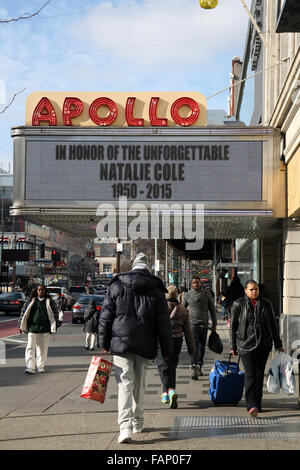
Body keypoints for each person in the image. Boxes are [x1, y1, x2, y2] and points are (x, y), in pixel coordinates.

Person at [98, 252, 172, 444]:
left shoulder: (116, 285)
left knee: (124, 383)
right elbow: (163, 324)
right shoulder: (156, 290)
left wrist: (103, 343)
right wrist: (166, 351)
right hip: (146, 342)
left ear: (133, 266)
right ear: (147, 268)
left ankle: (125, 427)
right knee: (140, 383)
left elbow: (106, 316)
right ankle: (137, 420)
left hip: (121, 342)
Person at [229, 280, 284, 418]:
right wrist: (232, 346)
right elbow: (233, 327)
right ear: (246, 291)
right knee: (250, 374)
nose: (254, 292)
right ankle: (251, 405)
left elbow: (273, 324)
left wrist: (278, 344)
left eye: (256, 289)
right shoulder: (238, 304)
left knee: (259, 375)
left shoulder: (266, 304)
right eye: (251, 289)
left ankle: (258, 403)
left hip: (263, 344)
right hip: (245, 344)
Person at [157, 285, 195, 409]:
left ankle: (167, 391)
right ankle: (170, 391)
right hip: (177, 340)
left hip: (162, 340)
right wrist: (191, 348)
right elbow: (188, 331)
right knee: (172, 365)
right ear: (177, 294)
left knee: (163, 366)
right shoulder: (183, 309)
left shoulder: (160, 309)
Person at [19, 285, 61, 374]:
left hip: (45, 329)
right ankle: (30, 367)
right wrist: (21, 325)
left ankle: (40, 366)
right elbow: (23, 313)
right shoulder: (30, 301)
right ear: (36, 291)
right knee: (30, 347)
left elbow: (55, 314)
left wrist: (55, 325)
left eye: (42, 290)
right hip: (32, 328)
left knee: (42, 348)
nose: (40, 291)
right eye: (39, 290)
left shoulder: (50, 302)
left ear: (45, 291)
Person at [183, 276, 217, 379]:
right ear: (191, 284)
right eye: (193, 283)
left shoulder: (207, 294)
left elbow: (212, 309)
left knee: (202, 346)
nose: (195, 285)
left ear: (200, 283)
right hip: (192, 324)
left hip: (203, 324)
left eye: (197, 283)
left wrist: (214, 323)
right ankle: (194, 366)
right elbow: (182, 309)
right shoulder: (187, 295)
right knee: (193, 345)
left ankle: (199, 364)